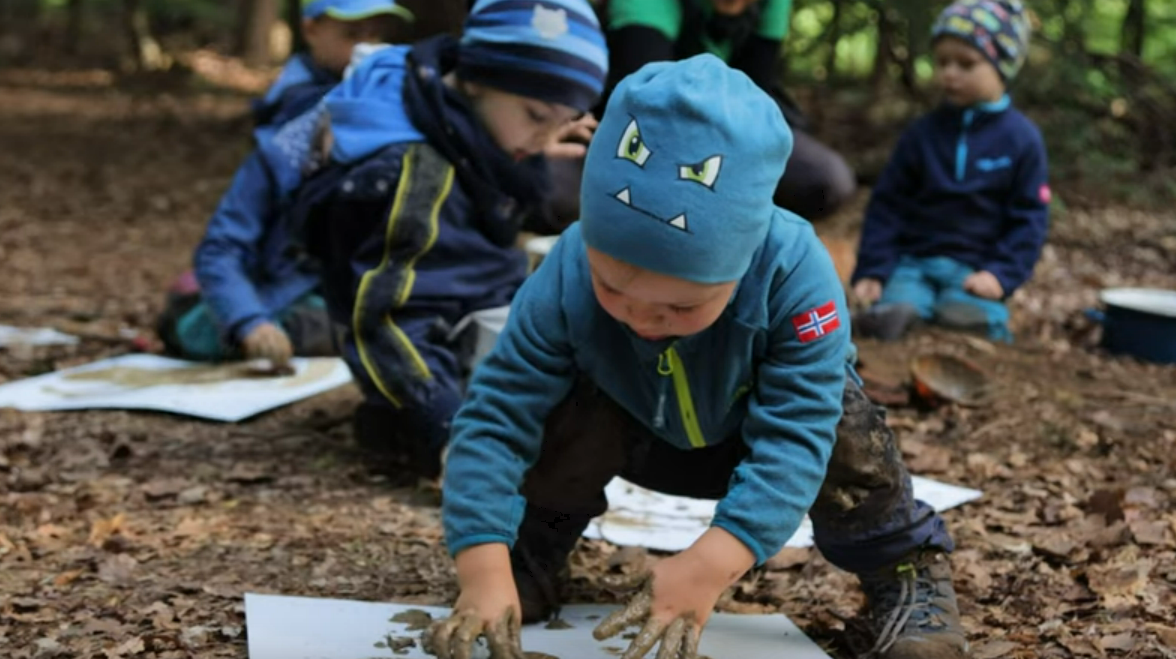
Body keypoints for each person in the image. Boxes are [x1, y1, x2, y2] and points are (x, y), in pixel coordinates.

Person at [425, 55, 966, 659]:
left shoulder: (795, 271)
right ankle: (532, 549)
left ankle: (902, 567)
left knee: (842, 421)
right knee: (554, 400)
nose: (640, 316)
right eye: (612, 289)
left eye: (679, 307)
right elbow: (496, 414)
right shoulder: (570, 267)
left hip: (749, 434)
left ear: (739, 262)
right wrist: (481, 565)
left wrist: (714, 561)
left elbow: (797, 432)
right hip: (633, 425)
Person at [287, 0, 608, 478]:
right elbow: (386, 321)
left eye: (563, 122)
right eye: (538, 115)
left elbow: (526, 186)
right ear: (477, 77)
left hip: (473, 300)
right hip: (421, 344)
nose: (545, 139)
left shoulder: (480, 130)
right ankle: (412, 428)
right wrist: (446, 428)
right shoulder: (414, 172)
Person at [156, 0, 412, 364]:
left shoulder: (406, 144)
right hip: (291, 294)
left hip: (362, 296)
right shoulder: (283, 146)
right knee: (204, 327)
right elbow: (222, 245)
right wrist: (249, 322)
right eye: (352, 33)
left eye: (375, 34)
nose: (366, 47)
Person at [544, 0, 856, 229]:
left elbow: (755, 100)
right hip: (626, 138)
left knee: (826, 179)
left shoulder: (772, 6)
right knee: (551, 193)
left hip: (721, 139)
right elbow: (645, 102)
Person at [851, 0, 1049, 343]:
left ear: (1002, 65)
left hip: (975, 270)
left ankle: (971, 320)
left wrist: (1001, 275)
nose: (949, 74)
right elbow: (887, 205)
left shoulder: (1023, 140)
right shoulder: (922, 134)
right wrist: (874, 268)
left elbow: (1029, 218)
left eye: (966, 63)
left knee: (972, 313)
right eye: (942, 62)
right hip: (913, 262)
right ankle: (900, 313)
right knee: (900, 304)